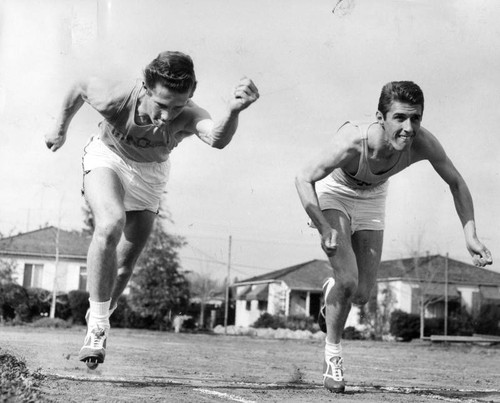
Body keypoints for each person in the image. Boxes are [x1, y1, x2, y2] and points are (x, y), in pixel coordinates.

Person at [44, 51, 259, 367]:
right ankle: (98, 327)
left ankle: (101, 311)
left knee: (123, 267)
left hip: (150, 176)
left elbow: (216, 138)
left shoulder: (188, 114)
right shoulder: (117, 97)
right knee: (109, 223)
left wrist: (235, 110)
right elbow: (79, 86)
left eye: (176, 107)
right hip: (108, 158)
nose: (167, 116)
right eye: (161, 105)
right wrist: (59, 128)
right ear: (145, 87)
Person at [295, 81, 492, 393]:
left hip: (373, 198)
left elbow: (456, 181)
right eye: (399, 118)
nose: (408, 128)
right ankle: (332, 357)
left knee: (361, 293)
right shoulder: (352, 141)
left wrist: (471, 235)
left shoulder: (423, 142)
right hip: (336, 193)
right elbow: (303, 178)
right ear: (380, 117)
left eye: (415, 118)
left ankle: (331, 288)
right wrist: (322, 225)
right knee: (348, 280)